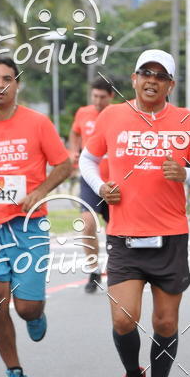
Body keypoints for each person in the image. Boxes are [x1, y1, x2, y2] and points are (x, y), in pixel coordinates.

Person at [79, 50, 190, 377]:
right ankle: (132, 375)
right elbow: (86, 160)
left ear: (171, 84)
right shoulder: (112, 116)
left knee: (165, 323)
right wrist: (101, 187)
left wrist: (185, 174)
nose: (151, 80)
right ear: (134, 78)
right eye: (145, 73)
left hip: (170, 236)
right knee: (124, 320)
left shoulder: (185, 120)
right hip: (124, 235)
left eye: (160, 75)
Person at [0, 57, 72, 377]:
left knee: (26, 307)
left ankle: (34, 313)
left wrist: (40, 191)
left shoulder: (37, 123)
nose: (0, 85)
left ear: (17, 85)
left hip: (28, 225)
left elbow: (64, 163)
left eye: (7, 79)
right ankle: (15, 373)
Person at [68, 78, 114, 292]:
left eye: (102, 97)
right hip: (89, 179)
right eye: (94, 96)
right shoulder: (83, 113)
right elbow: (75, 132)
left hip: (114, 180)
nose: (97, 101)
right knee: (87, 224)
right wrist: (74, 150)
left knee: (117, 230)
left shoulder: (118, 115)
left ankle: (120, 267)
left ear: (111, 97)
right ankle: (93, 269)